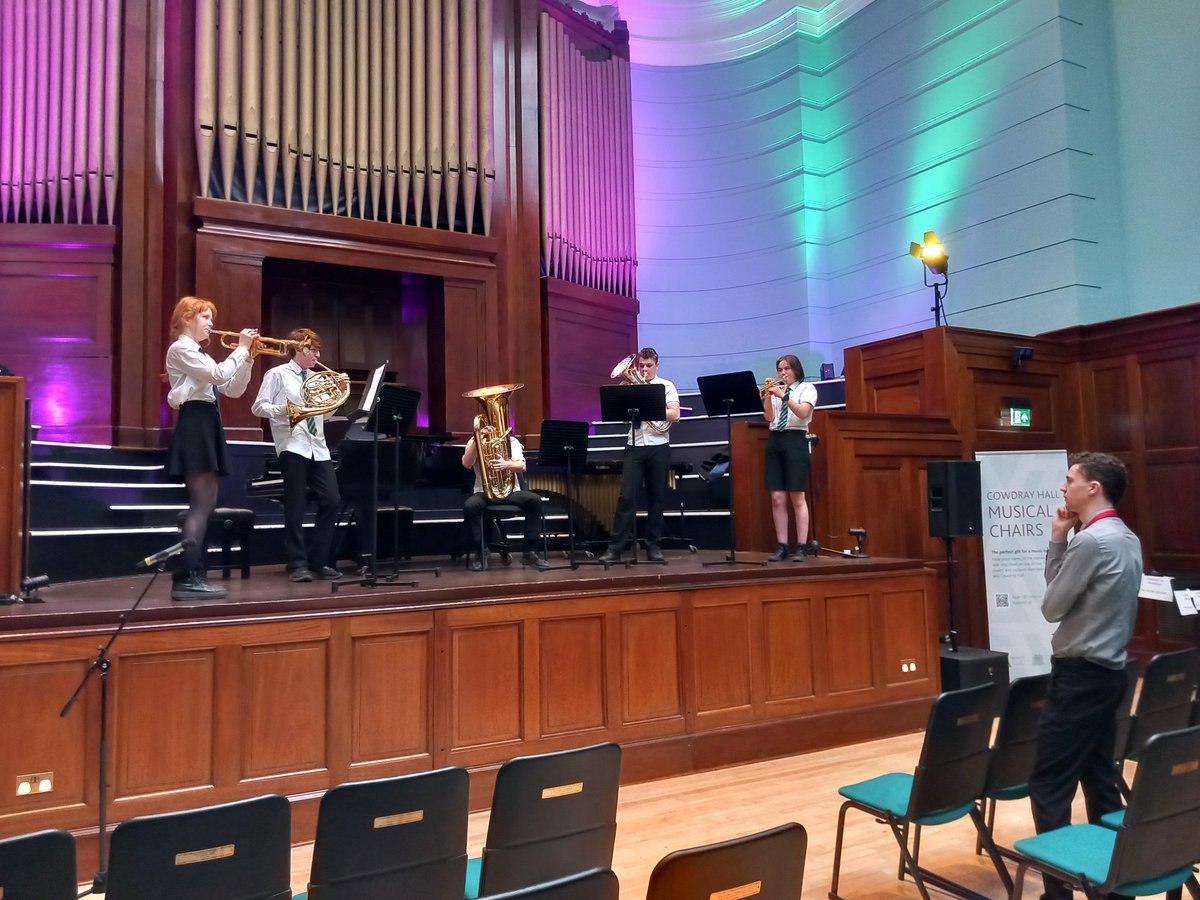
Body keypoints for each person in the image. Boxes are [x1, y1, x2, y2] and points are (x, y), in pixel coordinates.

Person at [1028, 451, 1142, 900]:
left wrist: (1058, 541)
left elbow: (1052, 606)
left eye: (1070, 479)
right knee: (1099, 777)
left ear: (1093, 488)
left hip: (1079, 677)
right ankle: (1113, 887)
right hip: (1110, 673)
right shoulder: (1126, 536)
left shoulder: (1092, 541)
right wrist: (1062, 537)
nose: (1063, 486)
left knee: (1049, 783)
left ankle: (1058, 894)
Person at [164, 296, 257, 600]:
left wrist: (249, 359)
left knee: (206, 506)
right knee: (200, 507)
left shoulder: (199, 353)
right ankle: (186, 576)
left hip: (206, 422)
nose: (211, 324)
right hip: (196, 424)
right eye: (205, 317)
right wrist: (241, 348)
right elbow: (218, 375)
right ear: (188, 317)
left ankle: (194, 573)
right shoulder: (180, 349)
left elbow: (232, 387)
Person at [251, 328, 347, 582]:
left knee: (332, 500)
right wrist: (288, 409)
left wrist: (337, 395)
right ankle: (296, 563)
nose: (317, 354)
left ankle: (320, 560)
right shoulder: (277, 375)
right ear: (298, 348)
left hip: (319, 447)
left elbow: (323, 416)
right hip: (292, 445)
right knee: (295, 505)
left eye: (318, 350)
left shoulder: (317, 378)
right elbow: (258, 407)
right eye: (312, 349)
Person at [599, 348, 680, 564]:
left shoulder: (667, 386)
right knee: (626, 498)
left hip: (658, 446)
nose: (644, 369)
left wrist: (651, 403)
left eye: (649, 366)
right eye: (641, 366)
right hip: (634, 446)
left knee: (656, 498)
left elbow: (675, 414)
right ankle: (615, 549)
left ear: (657, 365)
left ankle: (653, 547)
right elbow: (622, 416)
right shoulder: (630, 386)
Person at [461, 424, 547, 571]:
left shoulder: (512, 441)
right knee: (470, 506)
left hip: (510, 490)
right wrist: (477, 439)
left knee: (534, 501)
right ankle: (481, 551)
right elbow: (466, 463)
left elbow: (521, 466)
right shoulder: (474, 441)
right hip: (485, 491)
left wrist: (507, 464)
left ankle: (530, 551)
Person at [762, 354, 818, 562]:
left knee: (797, 496)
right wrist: (769, 396)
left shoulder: (807, 388)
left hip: (796, 439)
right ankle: (782, 545)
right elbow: (768, 417)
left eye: (787, 368)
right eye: (779, 370)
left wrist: (784, 396)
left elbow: (803, 413)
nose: (783, 373)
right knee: (777, 497)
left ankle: (802, 546)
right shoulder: (777, 390)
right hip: (775, 439)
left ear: (796, 369)